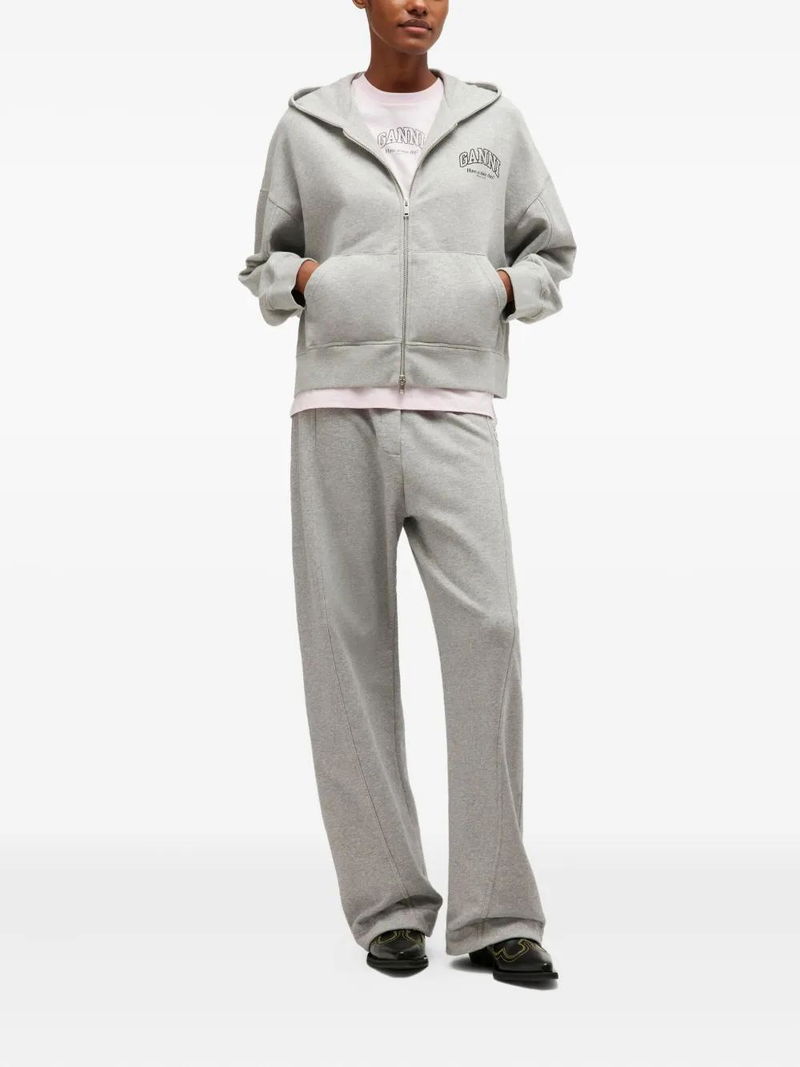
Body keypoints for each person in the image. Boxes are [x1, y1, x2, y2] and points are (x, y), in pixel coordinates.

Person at [238, 0, 577, 984]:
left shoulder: (493, 122)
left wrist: (496, 291)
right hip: (334, 410)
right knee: (346, 650)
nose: (418, 3)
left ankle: (495, 912)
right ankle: (389, 905)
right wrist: (314, 281)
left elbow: (549, 251)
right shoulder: (307, 124)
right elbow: (264, 260)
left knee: (488, 634)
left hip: (454, 407)